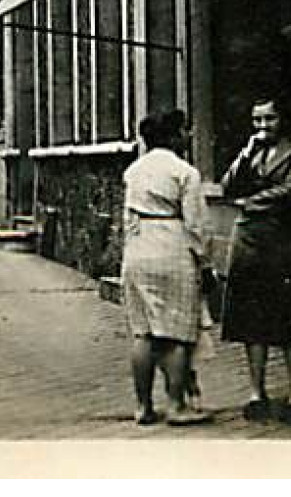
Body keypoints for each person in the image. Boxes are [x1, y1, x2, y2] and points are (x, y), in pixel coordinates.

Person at [220, 97, 291, 420]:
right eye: (257, 120)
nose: (262, 127)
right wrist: (246, 153)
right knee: (251, 317)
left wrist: (249, 202)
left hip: (284, 240)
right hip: (249, 240)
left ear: (283, 119)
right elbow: (226, 187)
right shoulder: (252, 151)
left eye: (269, 119)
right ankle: (256, 392)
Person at [121, 110, 212, 426]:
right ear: (173, 136)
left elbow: (127, 221)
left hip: (138, 249)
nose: (188, 136)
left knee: (143, 331)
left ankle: (143, 406)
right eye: (184, 131)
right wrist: (205, 262)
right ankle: (176, 405)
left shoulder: (133, 171)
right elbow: (197, 225)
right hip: (173, 246)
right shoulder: (185, 172)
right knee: (176, 332)